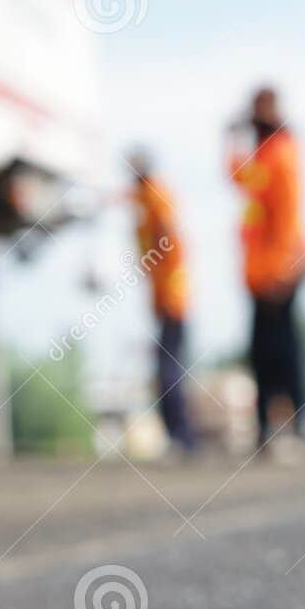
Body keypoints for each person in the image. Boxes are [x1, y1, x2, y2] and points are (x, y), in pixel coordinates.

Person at [228, 86, 305, 454]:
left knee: (283, 351)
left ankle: (295, 425)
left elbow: (289, 218)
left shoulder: (282, 153)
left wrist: (283, 270)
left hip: (278, 273)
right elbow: (241, 179)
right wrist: (232, 144)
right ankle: (267, 427)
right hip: (260, 274)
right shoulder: (265, 156)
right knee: (263, 352)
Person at [127, 149, 197, 454]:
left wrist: (164, 289)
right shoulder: (142, 198)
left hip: (174, 298)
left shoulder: (156, 195)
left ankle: (182, 436)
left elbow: (168, 238)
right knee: (164, 367)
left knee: (168, 368)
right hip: (163, 297)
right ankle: (177, 435)